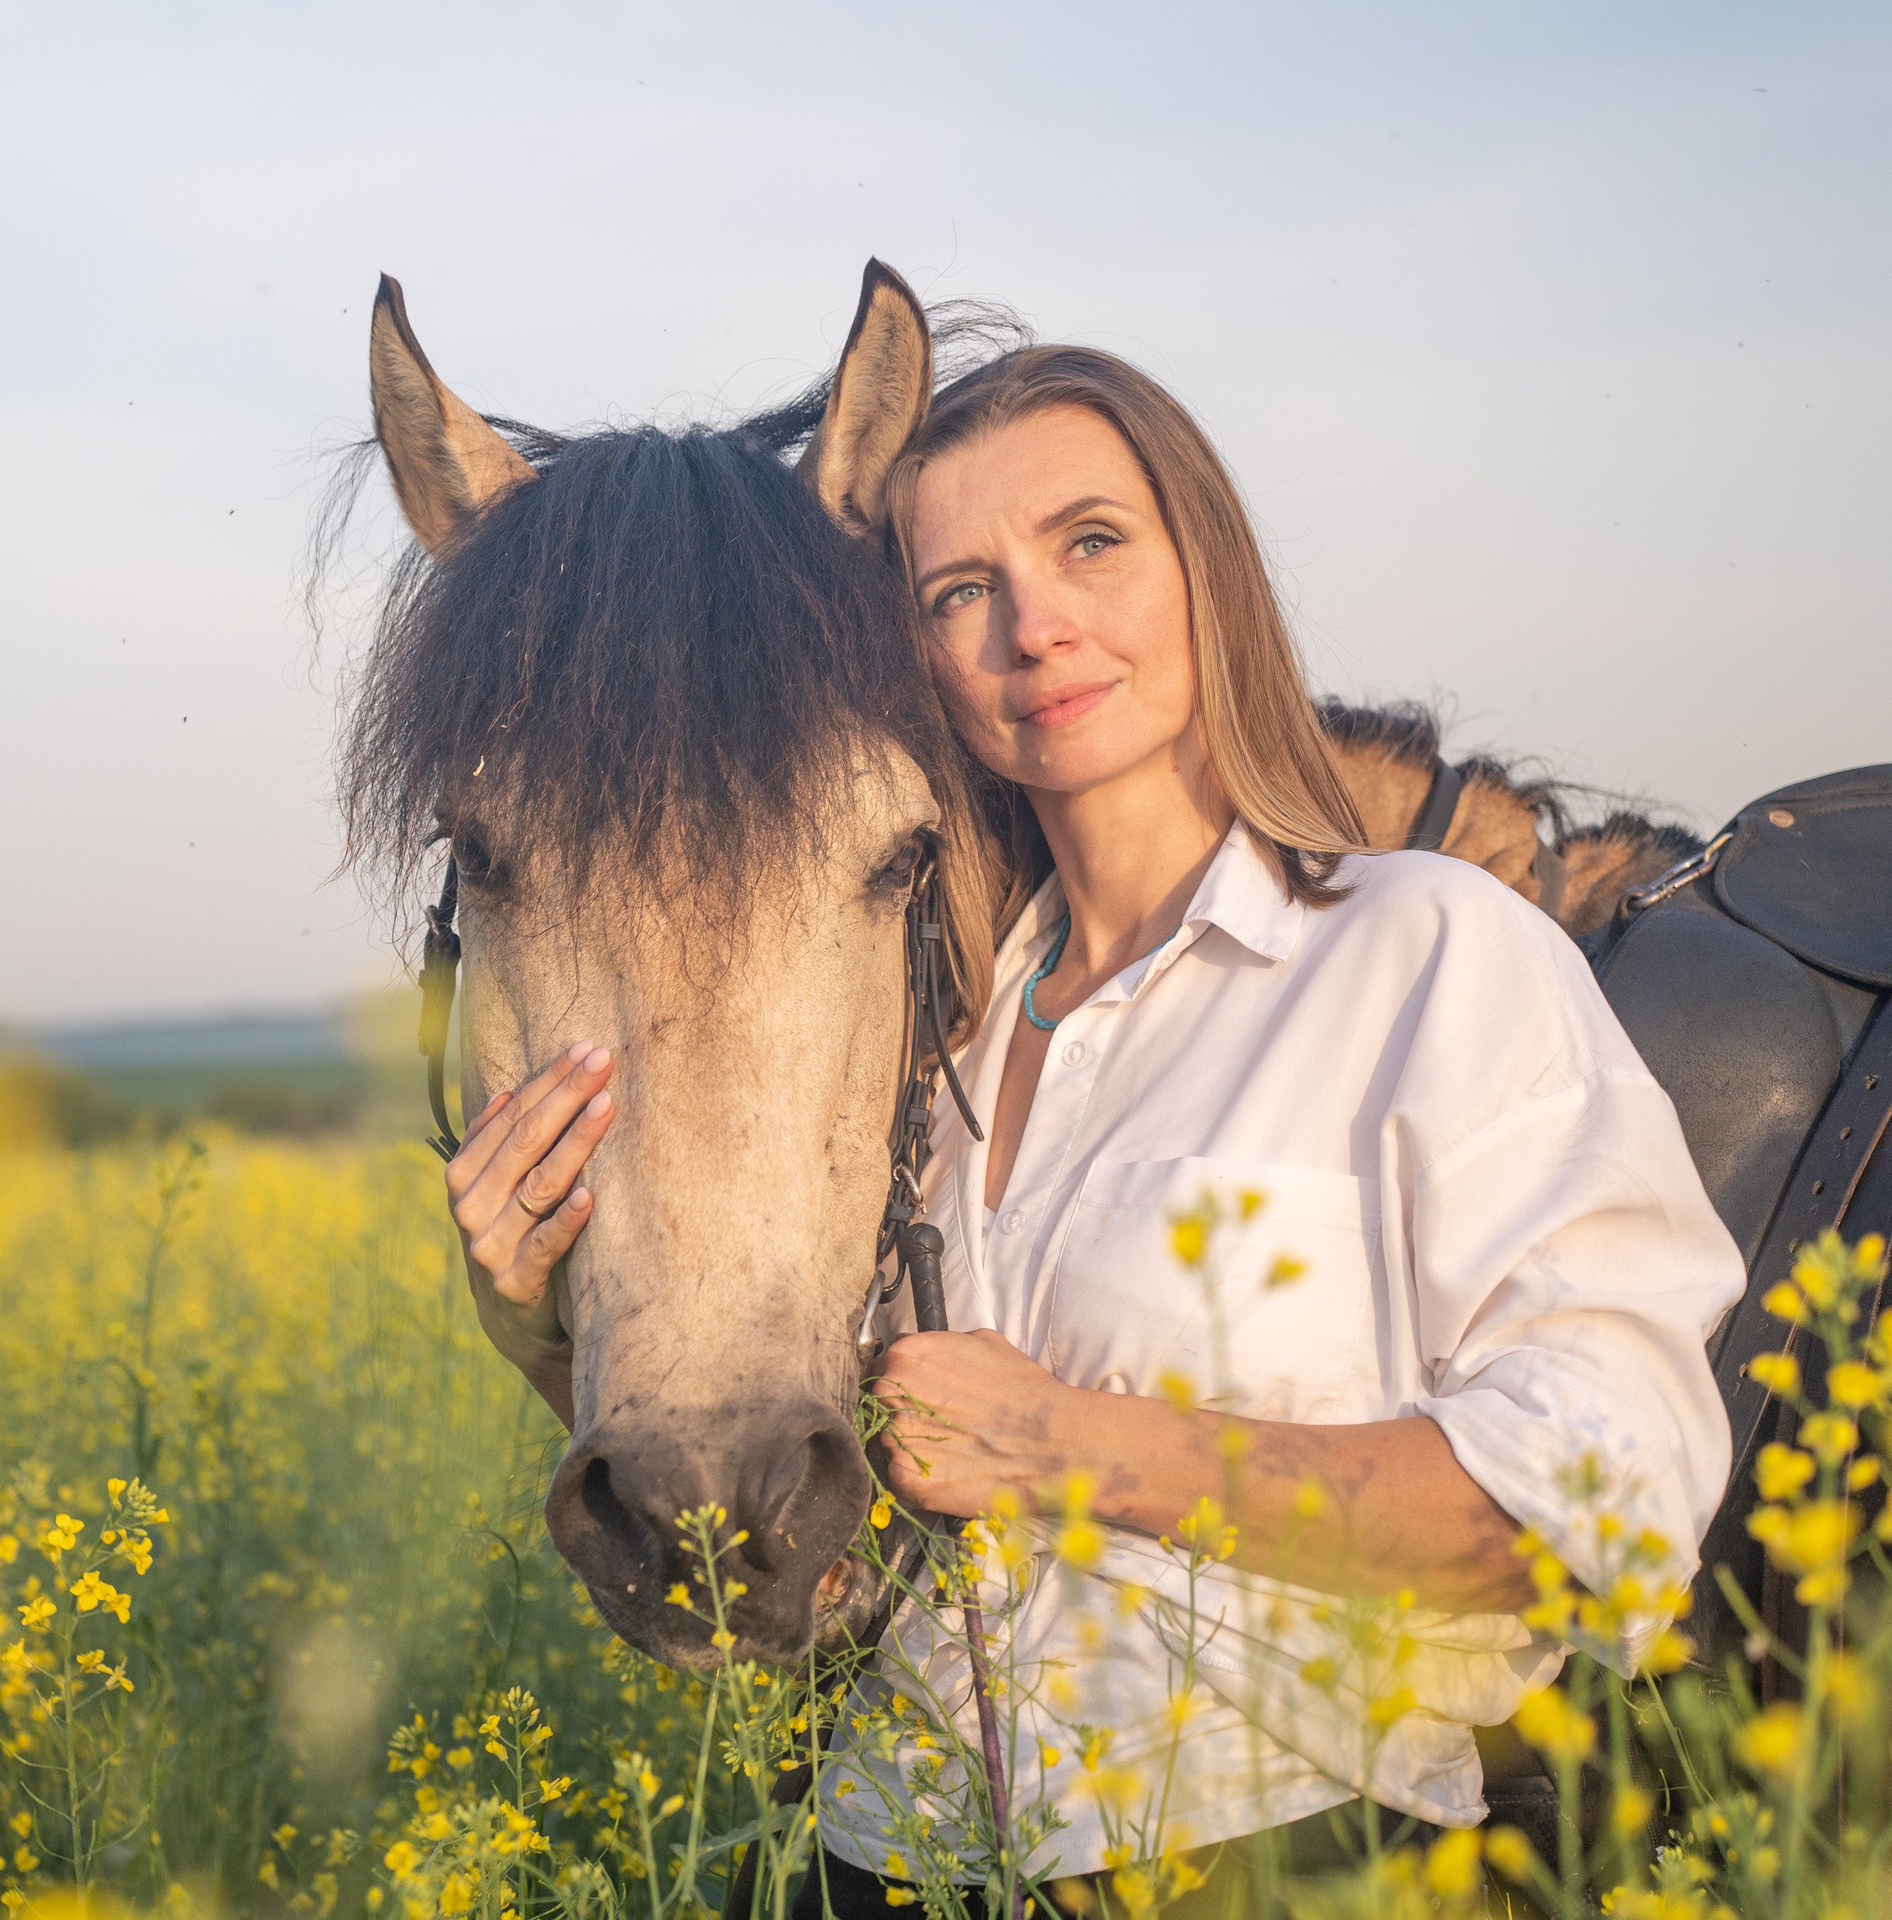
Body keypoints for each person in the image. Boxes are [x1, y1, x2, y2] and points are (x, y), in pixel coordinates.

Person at [441, 338, 1744, 1900]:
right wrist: (529, 1324)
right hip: (882, 1857)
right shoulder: (925, 1043)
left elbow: (1610, 1511)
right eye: (956, 589)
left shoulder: (1429, 952)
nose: (1035, 624)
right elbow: (790, 1565)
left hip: (1293, 1864)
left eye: (1090, 544)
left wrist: (1078, 1448)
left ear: (1209, 567)